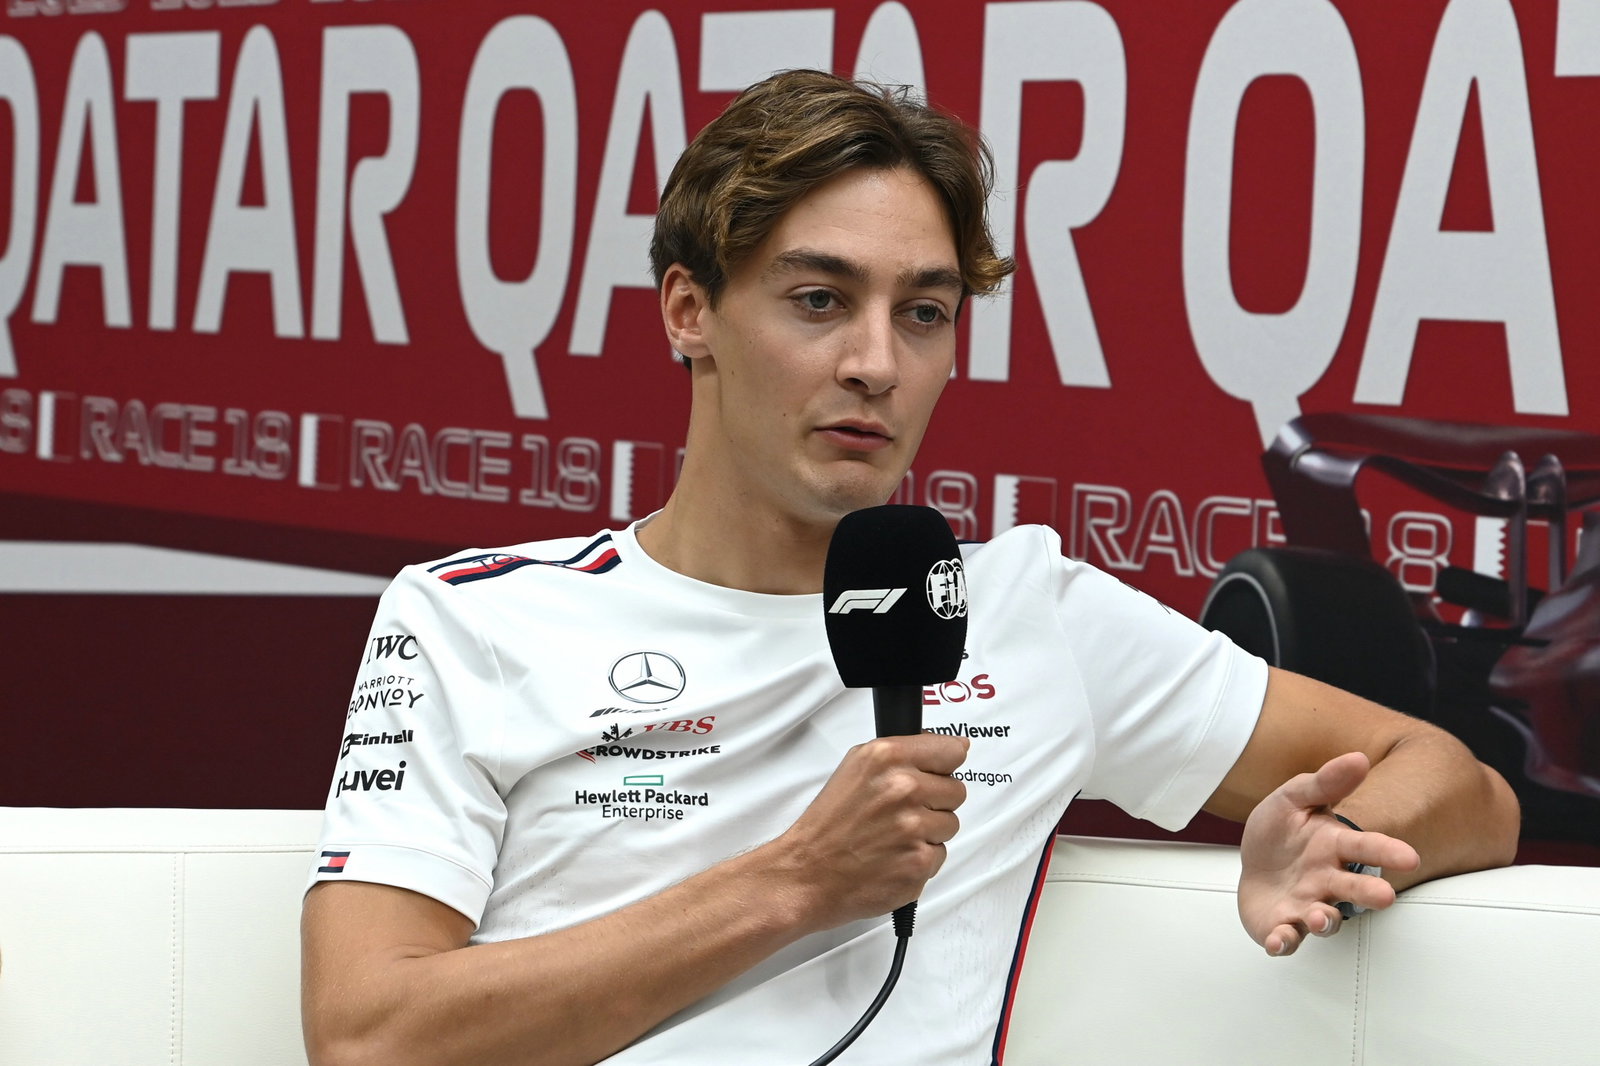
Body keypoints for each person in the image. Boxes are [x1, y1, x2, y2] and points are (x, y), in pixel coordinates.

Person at [300, 69, 1519, 1066]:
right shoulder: (470, 620)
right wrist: (793, 884)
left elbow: (1464, 786)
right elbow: (368, 1035)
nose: (877, 363)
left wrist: (1333, 838)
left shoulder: (1027, 611)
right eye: (820, 299)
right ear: (689, 311)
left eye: (923, 313)